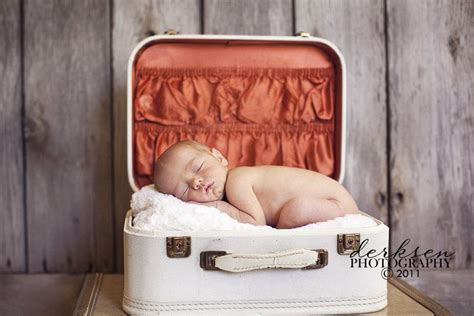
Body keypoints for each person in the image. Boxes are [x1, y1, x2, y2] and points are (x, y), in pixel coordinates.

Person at [153, 140, 358, 228]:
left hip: (336, 205)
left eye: (198, 167)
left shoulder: (237, 180)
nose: (196, 182)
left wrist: (213, 206)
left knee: (296, 210)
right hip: (331, 204)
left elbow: (255, 223)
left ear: (220, 157)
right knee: (294, 211)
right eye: (185, 189)